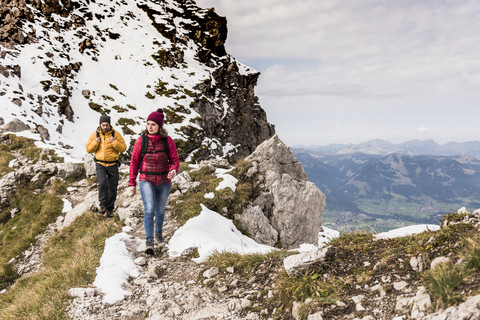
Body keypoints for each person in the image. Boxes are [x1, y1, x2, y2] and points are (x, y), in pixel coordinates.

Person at [129, 108, 180, 254]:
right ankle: (149, 240)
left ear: (159, 126)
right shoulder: (141, 141)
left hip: (164, 180)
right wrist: (132, 183)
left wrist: (173, 170)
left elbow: (175, 160)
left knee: (160, 210)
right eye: (148, 124)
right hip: (146, 179)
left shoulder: (167, 141)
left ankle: (159, 235)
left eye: (153, 124)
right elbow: (134, 162)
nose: (150, 127)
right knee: (149, 208)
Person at [86, 115, 127, 218]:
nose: (104, 127)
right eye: (103, 125)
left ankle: (109, 209)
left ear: (109, 124)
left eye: (106, 125)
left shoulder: (116, 134)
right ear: (100, 125)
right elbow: (88, 149)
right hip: (100, 164)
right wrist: (96, 142)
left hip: (113, 164)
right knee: (102, 183)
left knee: (112, 187)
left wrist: (114, 142)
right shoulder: (95, 135)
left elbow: (123, 148)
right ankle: (102, 205)